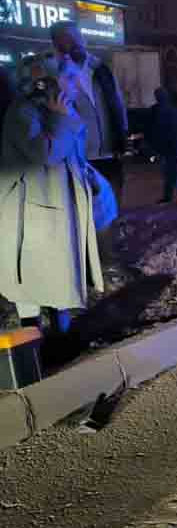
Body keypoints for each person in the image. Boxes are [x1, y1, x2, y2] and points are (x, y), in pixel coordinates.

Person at [0, 54, 103, 334]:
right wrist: (61, 119)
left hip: (54, 206)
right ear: (46, 83)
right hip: (31, 212)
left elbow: (73, 154)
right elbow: (46, 153)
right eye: (68, 77)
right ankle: (34, 352)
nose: (76, 82)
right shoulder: (24, 112)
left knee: (57, 280)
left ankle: (61, 340)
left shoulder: (58, 110)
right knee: (31, 285)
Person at [49, 20, 129, 280]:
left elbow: (117, 102)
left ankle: (110, 264)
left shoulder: (100, 69)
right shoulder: (57, 75)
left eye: (77, 38)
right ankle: (87, 269)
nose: (75, 44)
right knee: (83, 216)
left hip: (110, 152)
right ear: (57, 45)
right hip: (82, 157)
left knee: (110, 210)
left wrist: (123, 135)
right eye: (67, 40)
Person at [152, 86, 177, 203]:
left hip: (170, 149)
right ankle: (171, 197)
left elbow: (162, 132)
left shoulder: (160, 111)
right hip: (174, 148)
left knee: (172, 175)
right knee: (171, 174)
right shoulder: (176, 111)